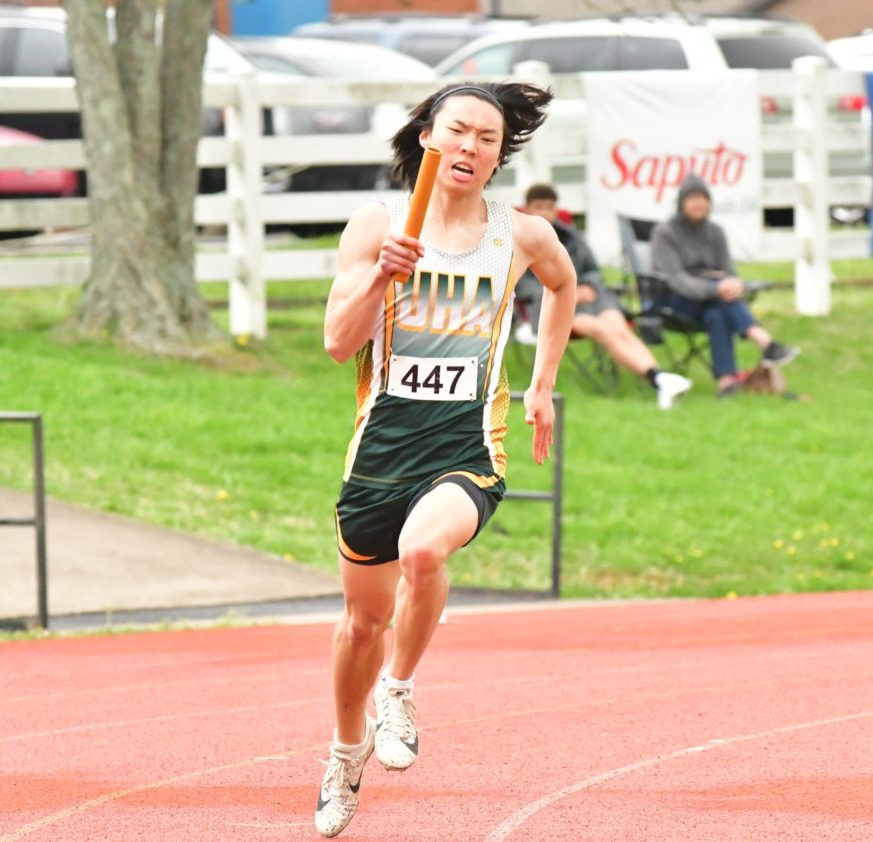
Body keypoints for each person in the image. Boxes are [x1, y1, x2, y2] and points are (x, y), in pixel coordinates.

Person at [316, 82, 577, 838]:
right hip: (381, 453)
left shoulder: (520, 234)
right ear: (428, 137)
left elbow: (563, 285)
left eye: (487, 138)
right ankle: (345, 751)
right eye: (458, 131)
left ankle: (398, 690)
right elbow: (336, 343)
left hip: (466, 446)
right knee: (361, 625)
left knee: (424, 551)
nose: (470, 147)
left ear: (500, 156)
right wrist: (381, 273)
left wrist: (542, 384)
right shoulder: (378, 224)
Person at [519, 184, 693, 409]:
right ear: (527, 209)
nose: (544, 212)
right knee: (601, 329)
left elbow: (592, 270)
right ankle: (657, 379)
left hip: (591, 299)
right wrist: (565, 293)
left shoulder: (571, 237)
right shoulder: (520, 242)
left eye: (549, 207)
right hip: (555, 309)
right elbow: (522, 286)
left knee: (618, 325)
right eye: (539, 207)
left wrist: (589, 286)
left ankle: (661, 378)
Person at [650, 173, 799, 397]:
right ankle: (765, 342)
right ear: (682, 202)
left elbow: (729, 272)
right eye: (693, 198)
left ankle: (726, 383)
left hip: (714, 299)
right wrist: (716, 288)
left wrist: (734, 285)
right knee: (721, 294)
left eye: (704, 199)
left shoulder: (715, 232)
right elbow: (676, 280)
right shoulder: (665, 233)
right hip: (675, 301)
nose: (699, 204)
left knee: (717, 314)